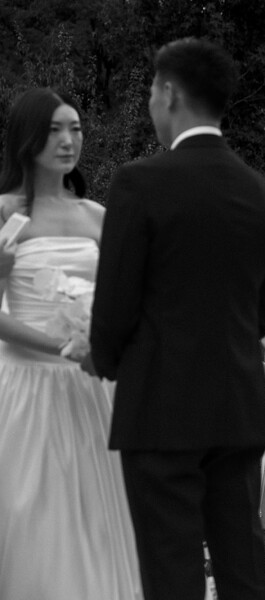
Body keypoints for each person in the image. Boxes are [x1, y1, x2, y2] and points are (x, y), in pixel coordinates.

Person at [91, 39, 265, 600]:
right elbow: (260, 313)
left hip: (160, 404)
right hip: (236, 404)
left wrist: (105, 359)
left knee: (170, 566)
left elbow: (114, 305)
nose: (152, 103)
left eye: (153, 91)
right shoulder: (260, 192)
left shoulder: (140, 182)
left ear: (169, 93)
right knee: (243, 564)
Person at [0, 88, 142, 599]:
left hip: (90, 387)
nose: (68, 140)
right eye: (55, 130)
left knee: (94, 519)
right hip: (25, 387)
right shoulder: (4, 213)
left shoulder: (97, 216)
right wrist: (62, 348)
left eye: (76, 129)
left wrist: (105, 342)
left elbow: (125, 301)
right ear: (28, 138)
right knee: (31, 514)